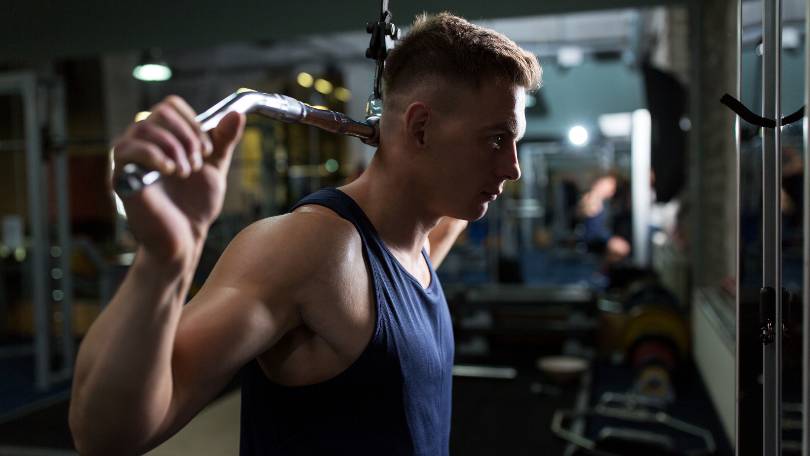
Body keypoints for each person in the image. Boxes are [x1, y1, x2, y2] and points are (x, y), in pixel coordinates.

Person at [69, 12, 541, 456]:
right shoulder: (314, 250)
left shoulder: (415, 243)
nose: (513, 168)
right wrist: (163, 262)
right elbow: (106, 435)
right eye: (497, 139)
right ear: (419, 129)